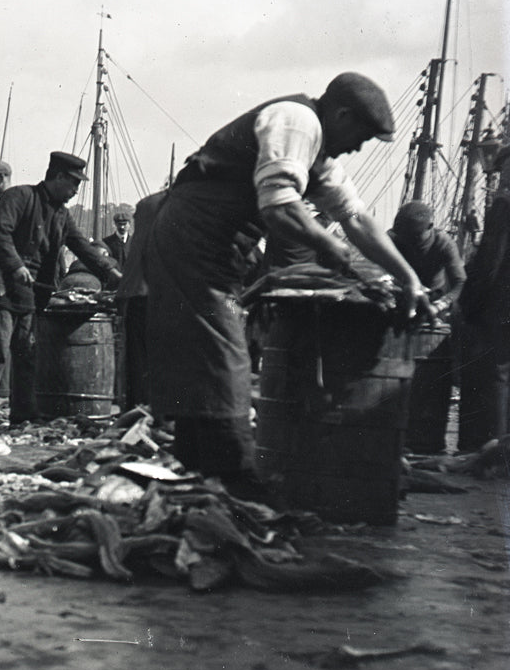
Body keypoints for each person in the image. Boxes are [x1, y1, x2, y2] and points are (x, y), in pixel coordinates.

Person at [141, 72, 435, 492]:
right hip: (192, 235)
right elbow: (280, 208)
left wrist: (408, 279)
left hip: (217, 246)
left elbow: (357, 219)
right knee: (224, 350)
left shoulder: (320, 156)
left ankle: (196, 461)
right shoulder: (297, 122)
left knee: (205, 349)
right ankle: (236, 474)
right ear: (341, 114)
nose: (357, 147)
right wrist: (331, 249)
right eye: (361, 136)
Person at [0, 151, 122, 429]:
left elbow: (81, 246)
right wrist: (16, 266)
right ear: (59, 177)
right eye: (74, 183)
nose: (76, 191)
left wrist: (111, 272)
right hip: (2, 283)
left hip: (31, 291)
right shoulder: (18, 197)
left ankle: (23, 414)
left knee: (27, 352)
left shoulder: (62, 215)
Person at [456, 143, 510, 452]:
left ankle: (489, 452)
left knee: (496, 374)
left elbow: (491, 261)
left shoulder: (504, 206)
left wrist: (469, 302)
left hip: (501, 306)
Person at [115, 190, 167, 411]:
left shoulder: (147, 208)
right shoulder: (174, 207)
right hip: (160, 298)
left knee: (136, 360)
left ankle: (136, 409)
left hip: (135, 297)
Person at [388, 200, 465, 317]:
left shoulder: (443, 243)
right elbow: (373, 268)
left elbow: (460, 282)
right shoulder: (392, 238)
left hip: (433, 298)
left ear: (430, 227)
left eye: (414, 237)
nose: (408, 242)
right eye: (403, 236)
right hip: (400, 294)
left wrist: (440, 305)